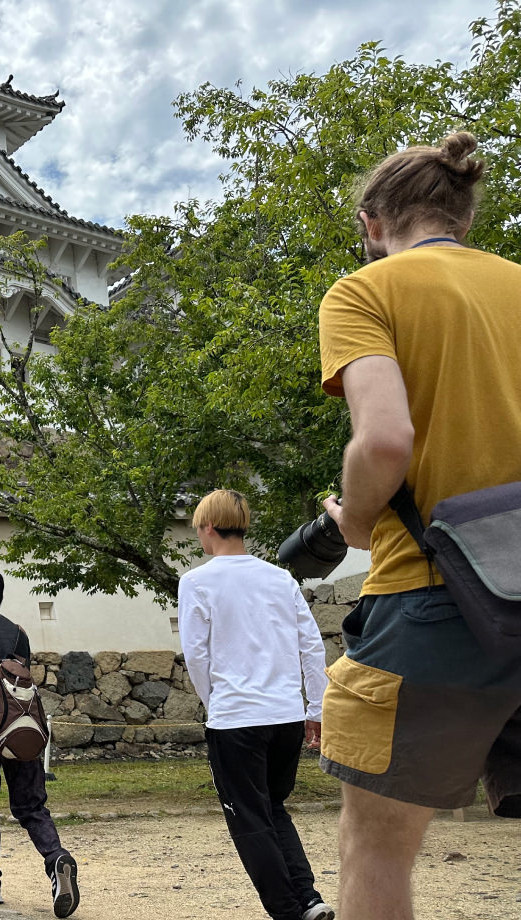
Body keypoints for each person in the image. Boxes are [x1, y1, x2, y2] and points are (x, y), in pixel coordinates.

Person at [318, 131, 521, 920]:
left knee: (376, 843)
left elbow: (385, 440)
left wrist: (359, 519)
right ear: (464, 215)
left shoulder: (367, 291)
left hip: (439, 595)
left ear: (373, 223)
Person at [178, 491, 332, 920]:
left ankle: (287, 910)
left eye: (198, 530)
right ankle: (309, 899)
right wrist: (314, 708)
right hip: (285, 716)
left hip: (236, 719)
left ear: (208, 527)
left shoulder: (196, 581)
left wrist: (216, 705)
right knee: (273, 809)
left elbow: (197, 655)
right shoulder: (280, 579)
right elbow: (311, 646)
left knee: (249, 820)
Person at [0, 569, 79, 917]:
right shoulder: (20, 634)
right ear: (1, 596)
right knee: (31, 806)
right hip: (22, 730)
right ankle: (56, 859)